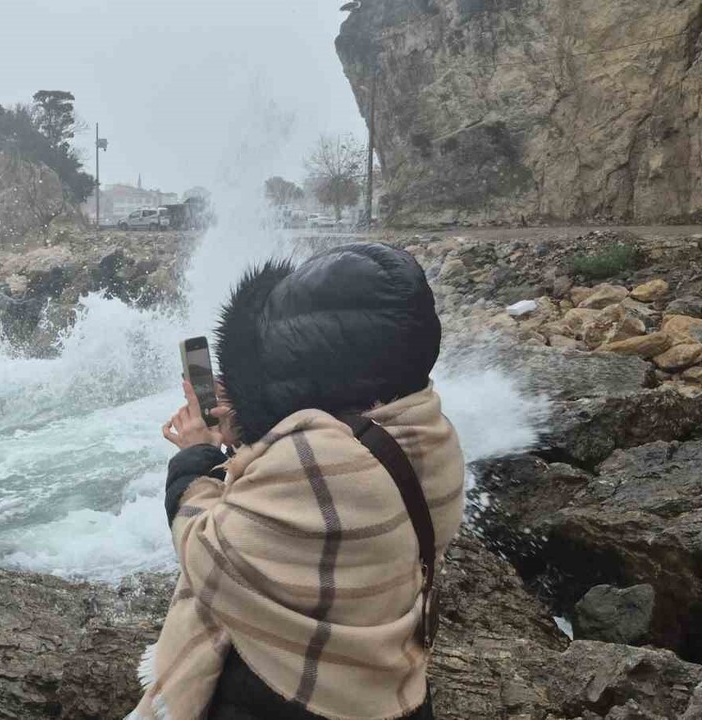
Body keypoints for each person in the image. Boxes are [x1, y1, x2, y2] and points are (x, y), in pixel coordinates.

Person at [134, 243, 465, 720]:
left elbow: (207, 555)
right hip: (393, 688)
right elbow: (319, 515)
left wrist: (197, 455)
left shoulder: (316, 460)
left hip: (296, 695)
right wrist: (253, 433)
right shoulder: (428, 431)